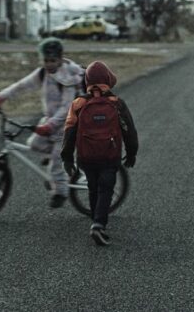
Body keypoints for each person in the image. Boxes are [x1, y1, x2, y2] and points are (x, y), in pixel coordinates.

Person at [0, 37, 85, 208]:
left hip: (70, 124)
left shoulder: (67, 78)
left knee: (55, 164)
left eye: (53, 60)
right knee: (34, 144)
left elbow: (67, 107)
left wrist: (50, 126)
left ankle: (60, 192)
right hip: (51, 120)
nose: (49, 64)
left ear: (60, 59)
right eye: (46, 60)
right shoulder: (42, 73)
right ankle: (61, 163)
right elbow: (20, 86)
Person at [61, 60, 138, 247]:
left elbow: (69, 132)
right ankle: (98, 224)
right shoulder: (116, 103)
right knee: (106, 188)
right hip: (109, 156)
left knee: (93, 187)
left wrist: (67, 158)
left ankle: (95, 219)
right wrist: (131, 153)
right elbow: (129, 131)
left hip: (86, 157)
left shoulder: (78, 104)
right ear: (108, 79)